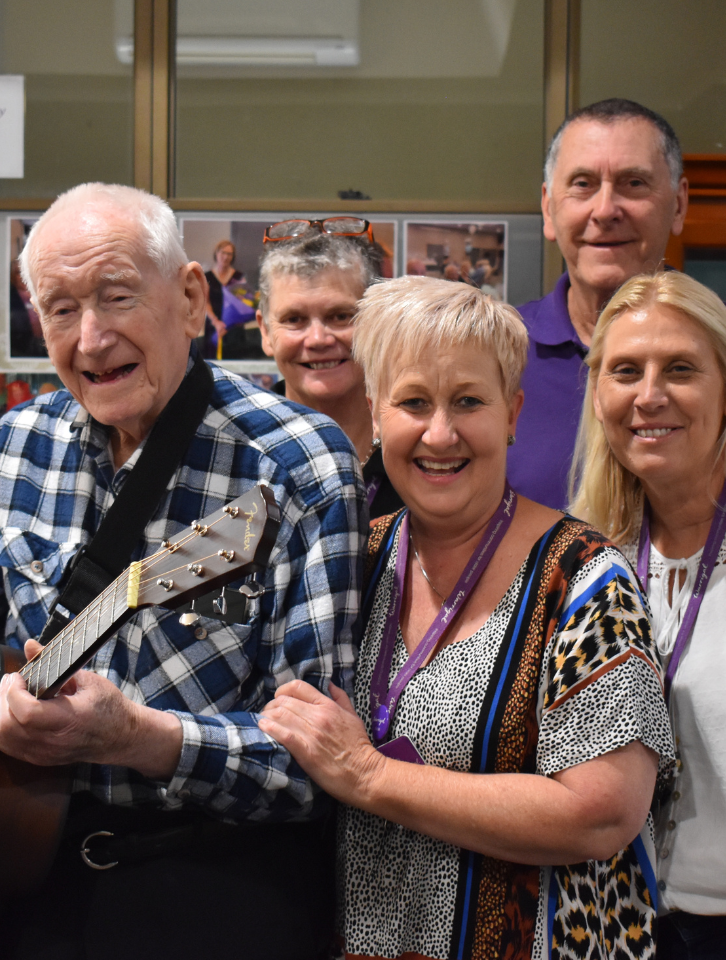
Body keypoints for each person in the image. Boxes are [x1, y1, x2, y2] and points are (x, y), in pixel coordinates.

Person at [0, 183, 365, 960]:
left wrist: (143, 739)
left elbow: (321, 763)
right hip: (22, 888)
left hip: (220, 891)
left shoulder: (300, 465)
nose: (90, 339)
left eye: (116, 297)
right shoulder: (18, 446)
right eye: (59, 309)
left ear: (191, 299)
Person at [260, 275, 674, 960]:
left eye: (469, 402)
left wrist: (370, 774)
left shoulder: (585, 578)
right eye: (414, 402)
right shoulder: (353, 558)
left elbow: (601, 813)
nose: (440, 433)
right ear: (376, 411)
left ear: (512, 413)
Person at [569, 270, 726, 959]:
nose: (650, 395)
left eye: (682, 369)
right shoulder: (585, 562)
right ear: (599, 393)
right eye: (626, 370)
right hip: (621, 920)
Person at [508, 98, 689, 510]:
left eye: (633, 183)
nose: (605, 210)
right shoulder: (495, 354)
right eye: (583, 184)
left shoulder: (720, 350)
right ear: (548, 207)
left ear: (678, 204)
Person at [257, 227, 402, 518]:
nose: (318, 339)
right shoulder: (233, 453)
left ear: (379, 322)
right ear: (265, 331)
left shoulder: (417, 449)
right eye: (294, 319)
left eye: (340, 316)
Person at [201, 239, 245, 357]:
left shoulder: (239, 277)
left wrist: (230, 323)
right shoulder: (207, 276)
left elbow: (243, 304)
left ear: (233, 256)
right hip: (213, 326)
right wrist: (216, 322)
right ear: (217, 253)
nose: (225, 257)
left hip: (234, 328)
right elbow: (206, 303)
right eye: (223, 253)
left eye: (229, 254)